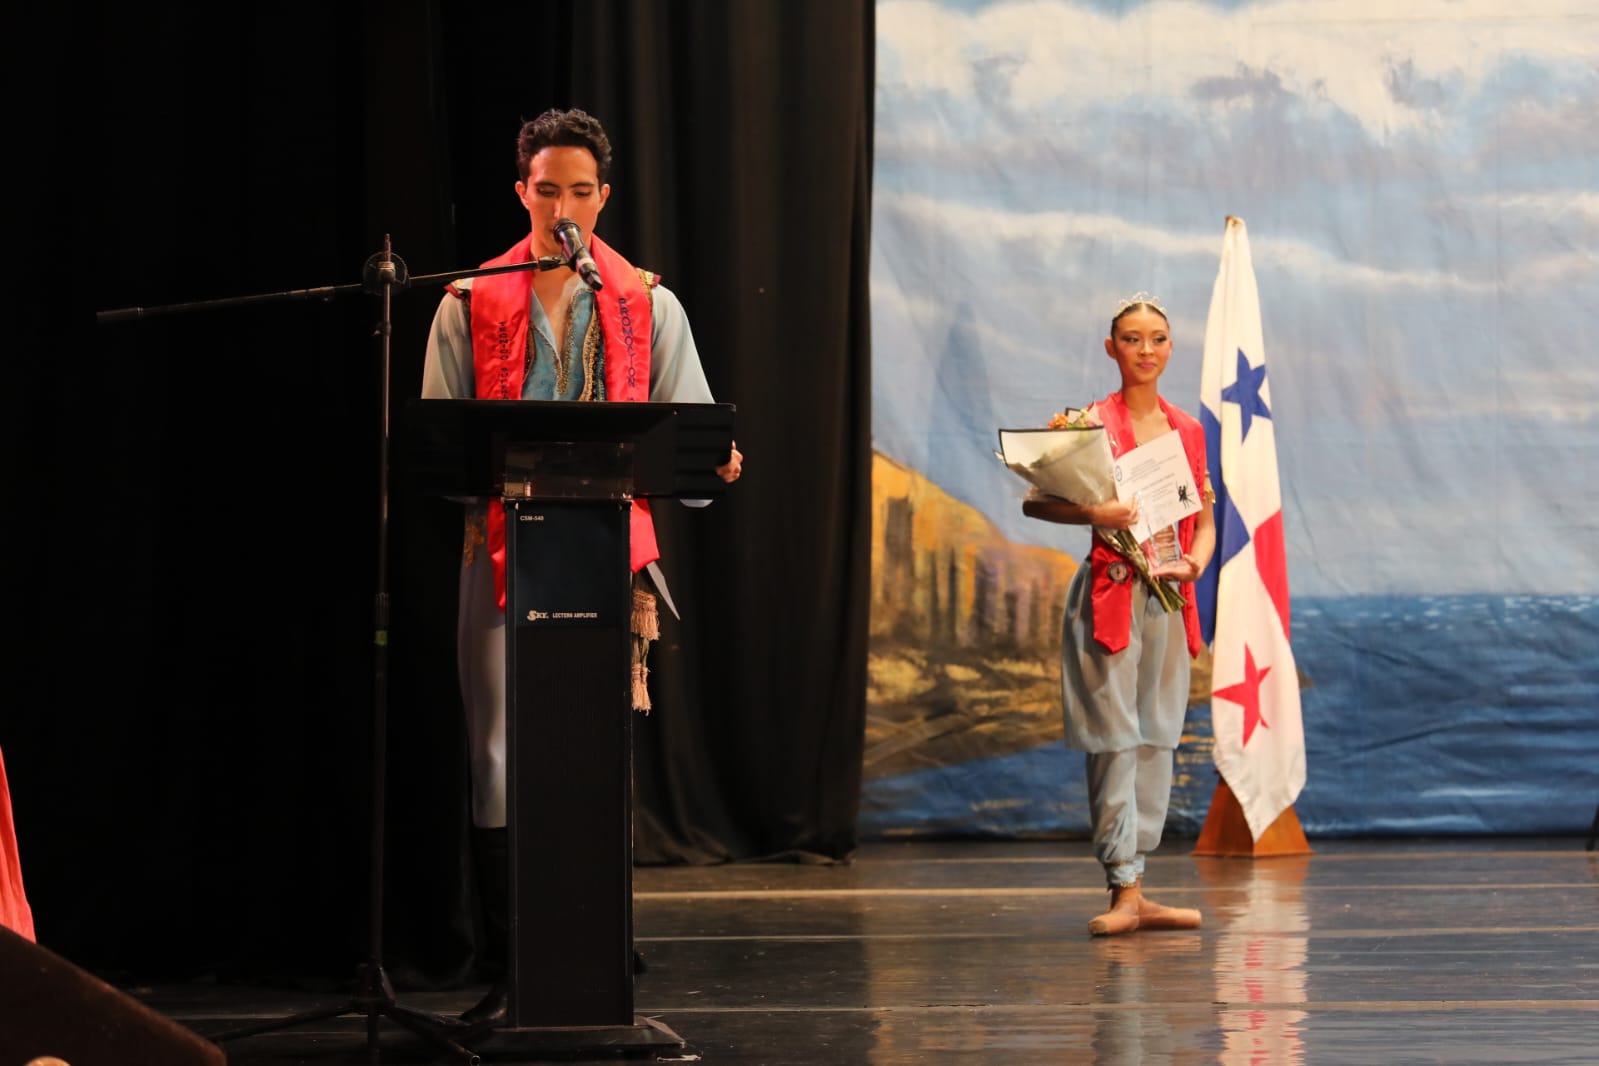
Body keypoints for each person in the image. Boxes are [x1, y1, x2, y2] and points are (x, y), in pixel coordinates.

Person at [420, 107, 742, 1022]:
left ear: (604, 196)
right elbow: (441, 443)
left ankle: (590, 950)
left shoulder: (646, 300)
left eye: (582, 190)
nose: (565, 205)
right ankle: (512, 962)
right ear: (521, 190)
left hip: (606, 547)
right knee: (495, 749)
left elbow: (691, 428)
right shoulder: (465, 299)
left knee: (592, 745)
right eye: (547, 188)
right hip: (502, 544)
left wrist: (710, 461)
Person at [1022, 293, 1214, 937]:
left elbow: (1204, 521)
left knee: (1158, 735)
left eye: (1157, 338)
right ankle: (1121, 883)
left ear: (1170, 347)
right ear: (1112, 348)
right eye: (1132, 339)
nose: (1146, 350)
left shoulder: (1187, 429)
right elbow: (1036, 503)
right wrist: (1096, 515)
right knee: (1114, 739)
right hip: (1110, 593)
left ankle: (1141, 880)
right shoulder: (1090, 422)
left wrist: (1195, 563)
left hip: (1166, 593)